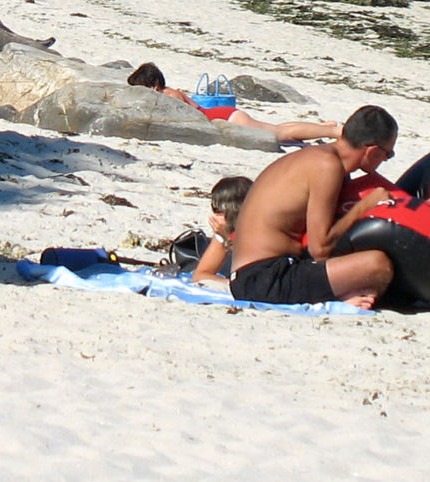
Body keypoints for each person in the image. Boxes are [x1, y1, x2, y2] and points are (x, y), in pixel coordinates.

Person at [225, 105, 400, 309]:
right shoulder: (327, 166)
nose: (385, 160)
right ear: (372, 151)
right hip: (263, 279)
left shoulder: (319, 157)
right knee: (378, 265)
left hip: (254, 274)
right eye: (388, 154)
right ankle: (341, 295)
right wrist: (365, 206)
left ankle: (344, 291)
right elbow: (321, 249)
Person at [125, 63, 337, 143]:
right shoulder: (173, 92)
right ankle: (324, 128)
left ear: (152, 85)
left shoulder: (170, 96)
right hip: (221, 113)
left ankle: (332, 133)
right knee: (276, 129)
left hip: (223, 116)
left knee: (279, 135)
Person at [190, 175, 254, 288]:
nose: (215, 215)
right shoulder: (225, 230)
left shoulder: (262, 229)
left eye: (218, 210)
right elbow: (201, 275)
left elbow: (256, 274)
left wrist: (229, 238)